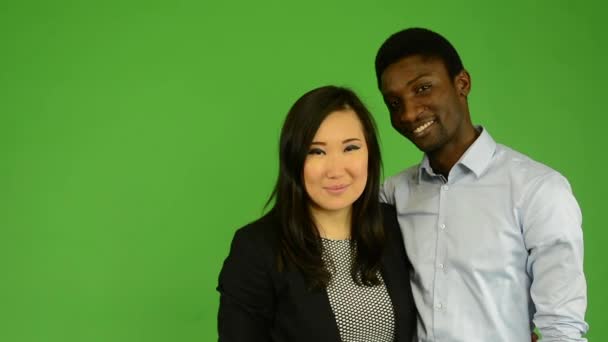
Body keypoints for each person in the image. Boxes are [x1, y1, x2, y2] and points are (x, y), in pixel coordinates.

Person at [374, 27, 589, 342]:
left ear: (462, 83)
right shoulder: (392, 195)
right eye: (394, 103)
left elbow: (563, 329)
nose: (408, 113)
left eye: (422, 88)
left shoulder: (539, 191)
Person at [217, 86, 417, 342]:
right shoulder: (257, 248)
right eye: (317, 151)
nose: (335, 170)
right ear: (294, 159)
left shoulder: (394, 226)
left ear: (370, 153)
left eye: (351, 148)